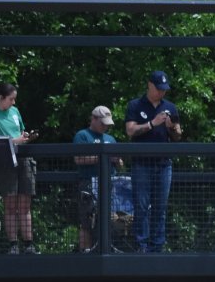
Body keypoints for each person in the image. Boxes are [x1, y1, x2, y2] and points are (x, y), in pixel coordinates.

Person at [124, 69, 183, 253]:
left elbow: (178, 136)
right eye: (158, 88)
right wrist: (152, 123)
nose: (162, 92)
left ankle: (157, 246)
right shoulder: (135, 105)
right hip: (142, 164)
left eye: (164, 89)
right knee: (141, 205)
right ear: (149, 85)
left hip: (163, 164)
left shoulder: (170, 107)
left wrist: (172, 128)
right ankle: (141, 245)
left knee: (160, 206)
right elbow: (130, 131)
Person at [0, 82, 38, 254]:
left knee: (25, 203)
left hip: (23, 158)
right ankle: (13, 244)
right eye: (11, 99)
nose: (13, 103)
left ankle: (29, 244)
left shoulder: (15, 112)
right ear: (1, 98)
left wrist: (26, 136)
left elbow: (21, 132)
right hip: (5, 160)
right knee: (10, 204)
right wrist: (15, 141)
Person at [73, 104, 121, 252]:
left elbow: (120, 163)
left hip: (109, 184)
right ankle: (85, 252)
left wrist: (117, 160)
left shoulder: (111, 139)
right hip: (88, 183)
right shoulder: (82, 136)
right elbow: (78, 159)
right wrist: (102, 157)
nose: (105, 127)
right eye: (102, 123)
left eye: (107, 124)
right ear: (93, 119)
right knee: (87, 221)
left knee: (109, 219)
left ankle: (106, 249)